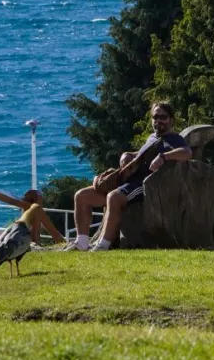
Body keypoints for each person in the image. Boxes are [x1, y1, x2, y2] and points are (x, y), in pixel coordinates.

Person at [64, 102, 192, 251]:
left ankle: (103, 245)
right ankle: (82, 243)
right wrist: (128, 155)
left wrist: (163, 157)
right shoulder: (152, 137)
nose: (158, 121)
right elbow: (141, 155)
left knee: (113, 197)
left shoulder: (174, 139)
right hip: (127, 181)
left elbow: (187, 153)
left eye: (163, 117)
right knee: (82, 196)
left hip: (144, 185)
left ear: (171, 120)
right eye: (155, 117)